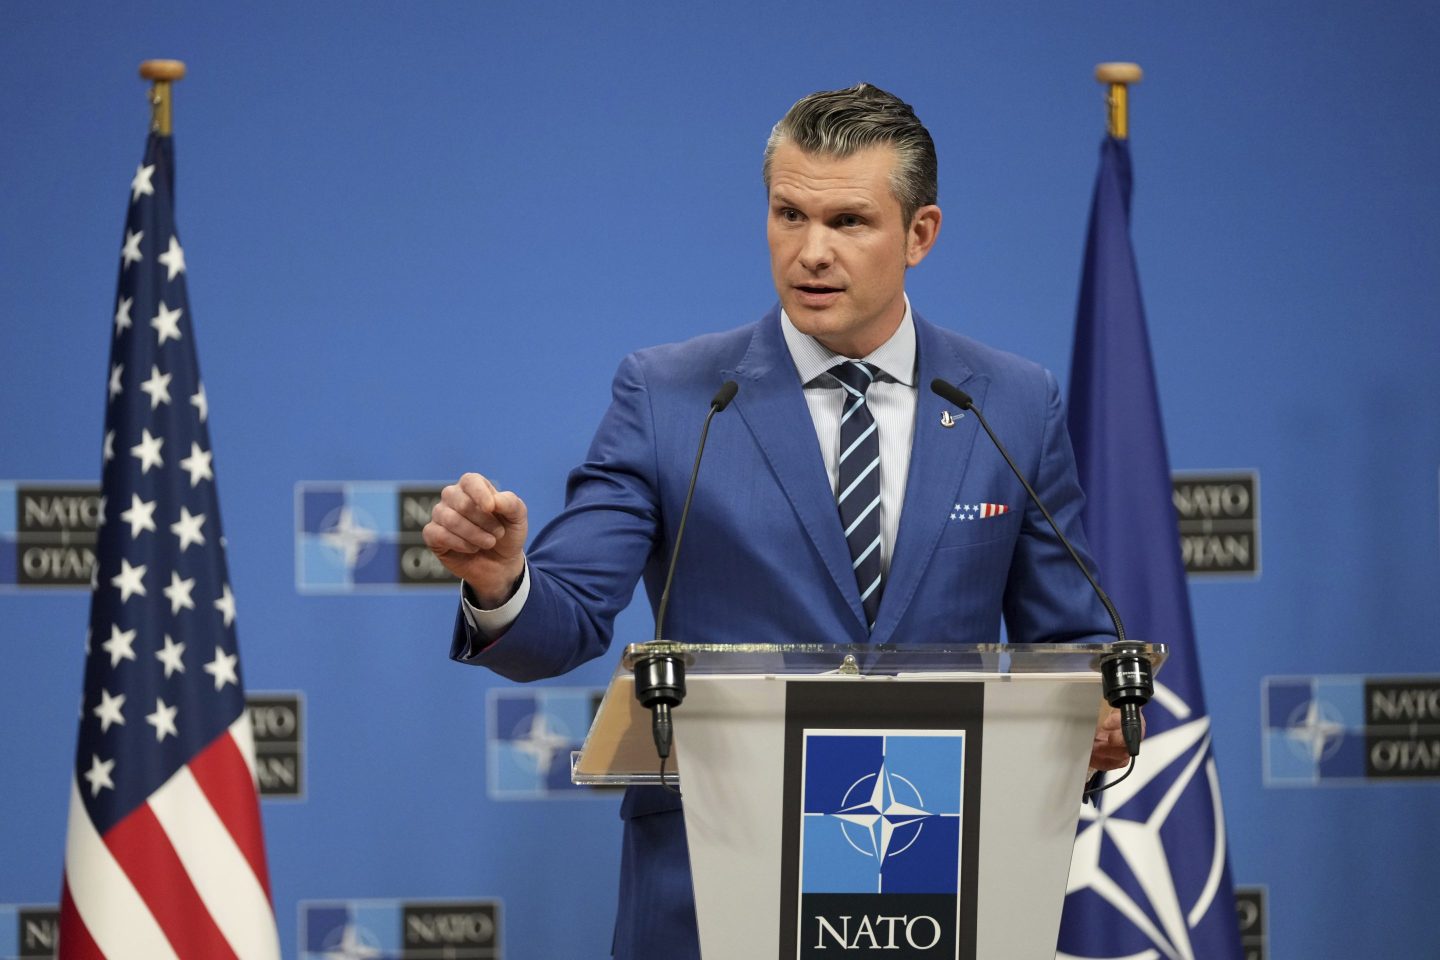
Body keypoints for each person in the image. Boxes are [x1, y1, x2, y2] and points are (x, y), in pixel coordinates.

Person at [424, 83, 1134, 960]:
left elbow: (1072, 641)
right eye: (788, 214)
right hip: (713, 885)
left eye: (848, 222)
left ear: (921, 234)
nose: (810, 252)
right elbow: (564, 618)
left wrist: (1098, 707)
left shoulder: (1010, 403)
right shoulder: (672, 396)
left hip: (940, 882)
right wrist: (501, 584)